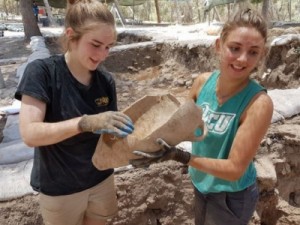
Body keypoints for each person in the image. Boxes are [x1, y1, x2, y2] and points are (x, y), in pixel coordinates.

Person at [130, 8, 273, 225]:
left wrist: (181, 157)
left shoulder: (258, 103)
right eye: (234, 48)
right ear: (218, 46)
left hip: (231, 196)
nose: (242, 59)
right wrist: (147, 145)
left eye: (253, 52)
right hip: (201, 184)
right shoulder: (202, 83)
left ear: (261, 55)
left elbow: (234, 170)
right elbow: (179, 126)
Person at [15, 0, 134, 225]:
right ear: (71, 35)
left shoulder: (105, 81)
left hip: (101, 180)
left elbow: (112, 135)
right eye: (96, 44)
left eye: (108, 47)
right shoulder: (42, 73)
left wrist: (138, 144)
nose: (102, 55)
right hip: (61, 190)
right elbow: (30, 134)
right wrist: (84, 123)